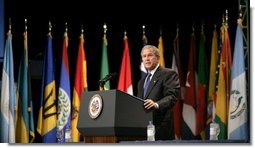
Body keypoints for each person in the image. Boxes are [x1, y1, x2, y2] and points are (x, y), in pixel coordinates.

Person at [137, 45, 180, 140]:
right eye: (144, 56)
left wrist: (156, 104)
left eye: (150, 55)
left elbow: (172, 96)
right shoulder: (141, 82)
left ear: (158, 58)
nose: (147, 59)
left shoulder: (168, 74)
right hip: (143, 129)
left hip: (161, 128)